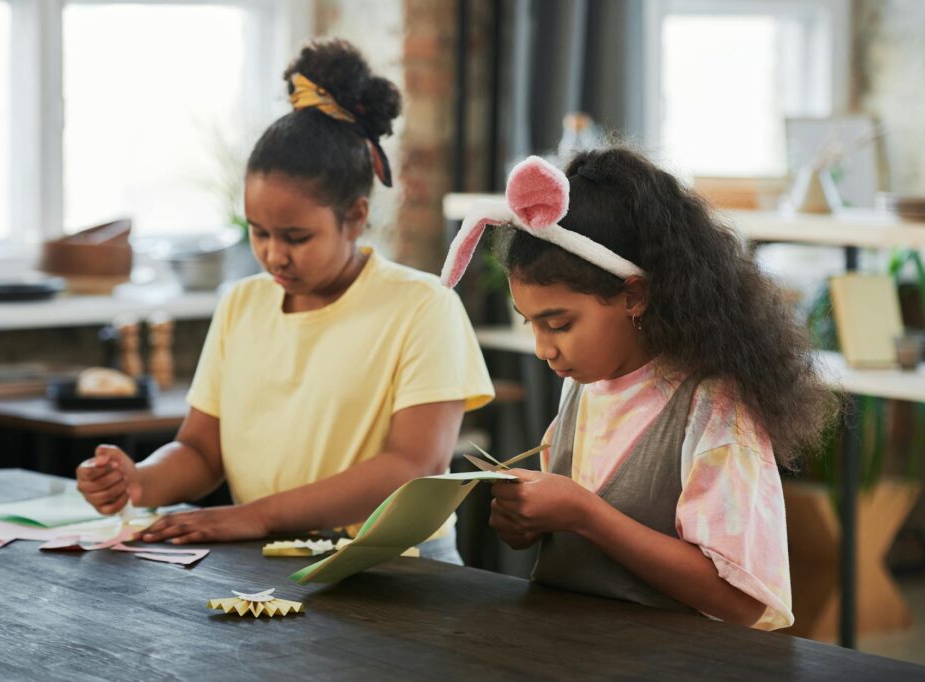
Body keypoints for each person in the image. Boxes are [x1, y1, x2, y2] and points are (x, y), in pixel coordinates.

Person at [76, 39, 493, 563]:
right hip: (266, 561)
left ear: (355, 217)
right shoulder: (241, 304)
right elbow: (202, 450)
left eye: (296, 237)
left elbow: (415, 466)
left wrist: (255, 516)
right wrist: (140, 480)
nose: (274, 255)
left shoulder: (422, 306)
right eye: (258, 232)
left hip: (396, 569)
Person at [440, 148, 833, 628]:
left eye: (559, 324)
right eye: (531, 323)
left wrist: (584, 514)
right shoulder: (584, 384)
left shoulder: (714, 408)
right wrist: (527, 523)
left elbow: (742, 600)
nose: (543, 349)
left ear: (633, 295)